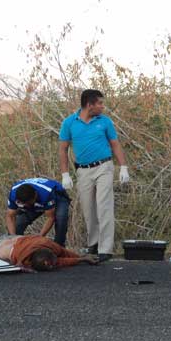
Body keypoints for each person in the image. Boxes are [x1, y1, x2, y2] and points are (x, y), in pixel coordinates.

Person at [58, 89, 130, 262]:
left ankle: (105, 249)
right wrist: (65, 174)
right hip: (83, 170)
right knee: (88, 208)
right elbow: (63, 149)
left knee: (104, 206)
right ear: (89, 105)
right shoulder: (69, 122)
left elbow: (115, 144)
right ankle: (94, 243)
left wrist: (123, 167)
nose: (102, 107)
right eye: (100, 103)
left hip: (104, 167)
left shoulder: (105, 121)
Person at [6, 177, 70, 246]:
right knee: (19, 223)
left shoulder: (46, 194)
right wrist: (13, 237)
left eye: (30, 202)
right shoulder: (13, 195)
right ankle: (15, 245)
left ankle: (59, 245)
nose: (28, 205)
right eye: (26, 204)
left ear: (35, 195)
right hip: (34, 200)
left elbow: (51, 218)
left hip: (57, 196)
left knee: (61, 218)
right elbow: (10, 216)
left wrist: (39, 237)